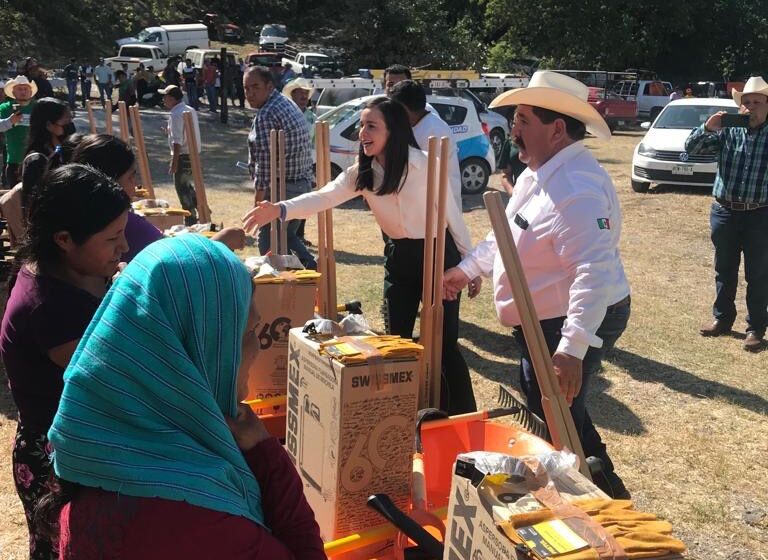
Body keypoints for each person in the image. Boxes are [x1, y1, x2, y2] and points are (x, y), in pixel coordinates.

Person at [39, 235, 325, 559]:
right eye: (245, 334)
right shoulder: (208, 524)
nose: (257, 347)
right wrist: (269, 458)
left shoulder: (93, 456)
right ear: (195, 350)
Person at [442, 71, 632, 498]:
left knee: (557, 412)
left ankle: (601, 496)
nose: (513, 130)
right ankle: (592, 488)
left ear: (557, 129)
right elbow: (507, 233)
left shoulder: (576, 188)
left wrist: (571, 347)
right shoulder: (538, 172)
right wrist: (469, 268)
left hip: (567, 319)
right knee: (556, 410)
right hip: (544, 319)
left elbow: (593, 270)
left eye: (524, 120)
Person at [243, 97, 479, 414]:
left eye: (371, 126)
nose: (362, 133)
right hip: (400, 258)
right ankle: (403, 412)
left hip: (438, 253)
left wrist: (468, 265)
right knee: (398, 341)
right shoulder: (362, 172)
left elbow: (453, 215)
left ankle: (462, 415)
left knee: (443, 343)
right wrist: (280, 208)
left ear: (393, 131)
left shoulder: (424, 163)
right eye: (361, 126)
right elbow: (324, 196)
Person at [0, 163, 131, 559]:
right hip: (60, 463)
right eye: (112, 239)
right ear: (64, 239)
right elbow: (118, 382)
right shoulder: (50, 308)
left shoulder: (67, 272)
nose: (124, 248)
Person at [686, 76, 768, 352]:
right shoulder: (727, 131)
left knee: (758, 273)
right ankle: (722, 320)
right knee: (724, 269)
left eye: (757, 102)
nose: (751, 107)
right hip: (724, 211)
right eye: (746, 103)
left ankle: (756, 327)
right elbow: (692, 150)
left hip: (760, 213)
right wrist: (707, 128)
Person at [71, 133, 246, 259]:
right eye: (131, 177)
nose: (136, 184)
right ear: (109, 181)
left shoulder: (78, 215)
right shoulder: (123, 224)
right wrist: (220, 241)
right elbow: (176, 263)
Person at [243, 66, 316, 268]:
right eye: (246, 88)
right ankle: (310, 274)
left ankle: (309, 273)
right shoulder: (284, 103)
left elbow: (265, 164)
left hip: (283, 188)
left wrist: (258, 202)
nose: (250, 93)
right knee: (285, 238)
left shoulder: (268, 113)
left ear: (269, 85)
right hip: (299, 185)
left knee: (270, 245)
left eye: (255, 87)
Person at [389, 79, 462, 209]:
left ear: (403, 108)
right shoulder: (416, 123)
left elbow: (422, 175)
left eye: (394, 109)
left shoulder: (434, 131)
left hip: (438, 210)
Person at [21, 97, 74, 212]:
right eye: (66, 120)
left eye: (71, 119)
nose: (70, 124)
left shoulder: (59, 150)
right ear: (49, 124)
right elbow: (31, 205)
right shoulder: (37, 161)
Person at [159, 84, 201, 225]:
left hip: (183, 155)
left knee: (182, 188)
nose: (163, 100)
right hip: (192, 153)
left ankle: (191, 219)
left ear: (171, 98)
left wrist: (174, 161)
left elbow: (178, 142)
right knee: (187, 186)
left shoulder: (176, 114)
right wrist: (169, 132)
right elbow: (183, 134)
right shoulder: (189, 109)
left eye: (165, 97)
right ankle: (201, 208)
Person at [0, 75, 38, 186]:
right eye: (19, 89)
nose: (23, 92)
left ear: (31, 92)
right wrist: (9, 121)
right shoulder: (5, 107)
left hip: (35, 160)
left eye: (26, 89)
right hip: (14, 161)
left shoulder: (38, 107)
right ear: (13, 92)